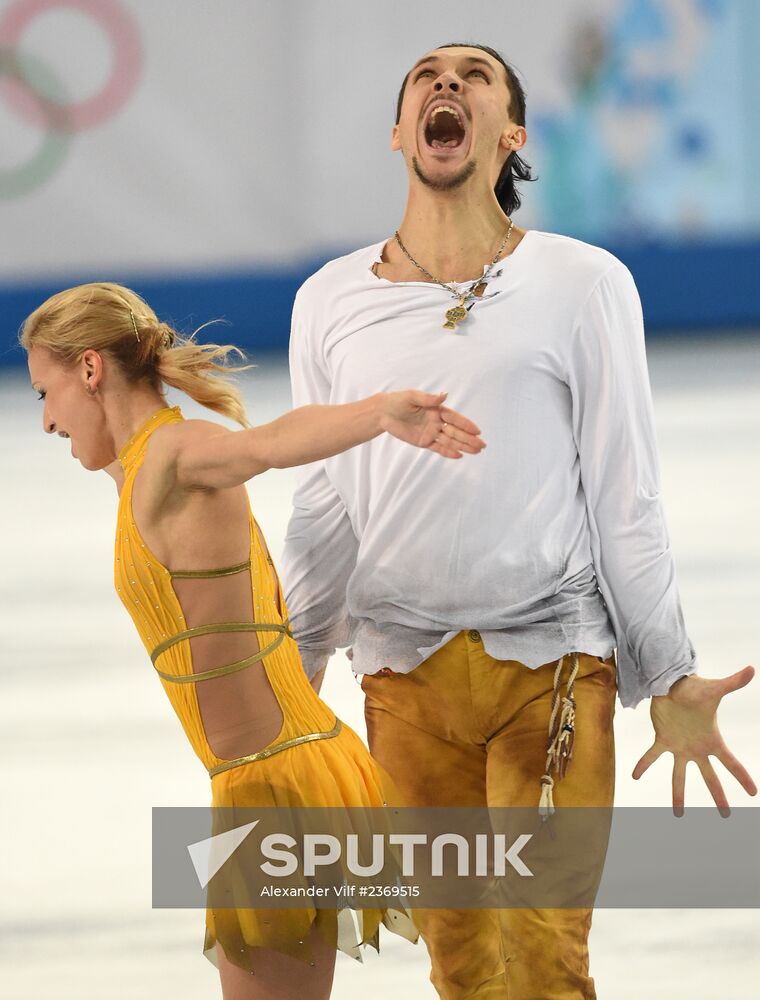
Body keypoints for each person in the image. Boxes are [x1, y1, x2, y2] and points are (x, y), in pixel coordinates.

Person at [279, 42, 757, 999]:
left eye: (475, 75)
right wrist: (288, 683)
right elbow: (324, 504)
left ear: (511, 135)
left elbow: (627, 491)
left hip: (553, 669)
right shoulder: (329, 301)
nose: (445, 83)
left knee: (543, 958)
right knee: (463, 969)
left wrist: (665, 669)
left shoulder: (582, 283)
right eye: (424, 74)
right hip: (403, 686)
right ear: (400, 130)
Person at [20, 280, 486, 1000]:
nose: (46, 420)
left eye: (44, 393)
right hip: (268, 778)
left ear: (90, 369)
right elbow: (122, 449)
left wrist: (380, 413)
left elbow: (269, 444)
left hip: (279, 787)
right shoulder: (141, 464)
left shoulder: (178, 455)